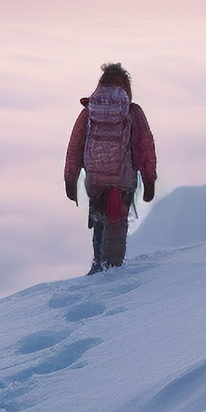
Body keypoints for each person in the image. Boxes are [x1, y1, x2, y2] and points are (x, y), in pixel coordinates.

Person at [64, 62, 157, 274]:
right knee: (116, 222)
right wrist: (149, 180)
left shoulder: (89, 111)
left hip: (95, 181)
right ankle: (111, 270)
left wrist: (70, 179)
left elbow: (75, 146)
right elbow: (144, 147)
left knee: (99, 220)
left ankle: (99, 263)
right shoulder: (132, 112)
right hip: (122, 181)